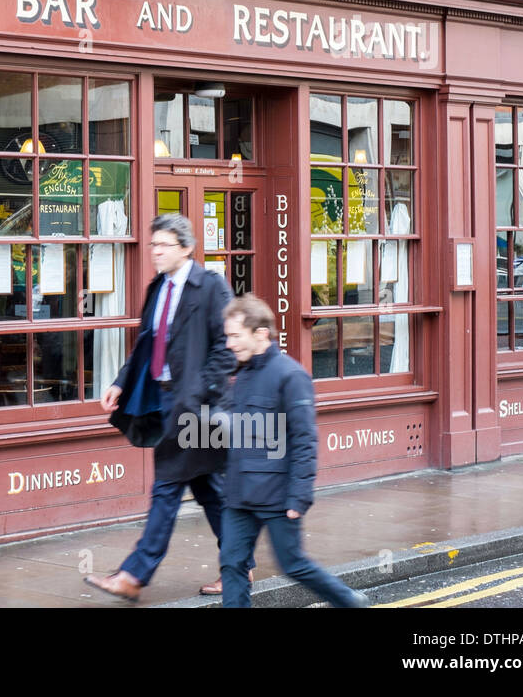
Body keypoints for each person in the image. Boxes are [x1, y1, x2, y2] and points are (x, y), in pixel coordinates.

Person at [87, 212, 248, 601]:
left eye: (163, 245)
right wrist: (119, 382)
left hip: (198, 407)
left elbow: (227, 349)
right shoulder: (158, 287)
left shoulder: (210, 287)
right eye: (153, 244)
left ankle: (136, 574)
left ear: (187, 248)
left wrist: (197, 393)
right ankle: (238, 569)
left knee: (167, 486)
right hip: (163, 402)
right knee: (209, 489)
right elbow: (146, 343)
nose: (155, 252)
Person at [218, 293, 369, 608]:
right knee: (232, 565)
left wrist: (299, 495)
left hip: (276, 494)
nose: (229, 344)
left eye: (235, 336)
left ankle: (350, 602)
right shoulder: (241, 375)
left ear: (260, 334)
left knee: (293, 565)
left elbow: (304, 440)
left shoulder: (291, 375)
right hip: (239, 494)